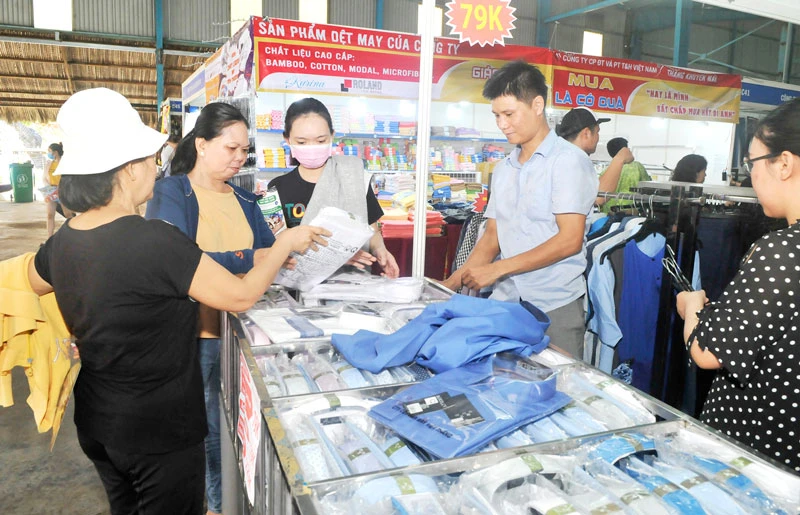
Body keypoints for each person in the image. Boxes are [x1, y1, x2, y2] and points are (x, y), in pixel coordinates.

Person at [26, 88, 329, 515]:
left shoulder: (62, 242)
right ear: (129, 170)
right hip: (160, 430)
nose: (156, 167)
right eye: (150, 160)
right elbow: (240, 296)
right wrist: (282, 247)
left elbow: (30, 284)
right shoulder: (156, 241)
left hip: (97, 420)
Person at [145, 101, 274, 515]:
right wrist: (245, 258)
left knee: (244, 426)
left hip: (246, 331)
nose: (239, 158)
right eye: (230, 149)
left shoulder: (246, 200)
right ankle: (217, 505)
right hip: (199, 336)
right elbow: (177, 259)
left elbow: (269, 256)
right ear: (201, 144)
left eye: (244, 152)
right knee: (208, 432)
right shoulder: (171, 192)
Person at [441, 60, 598, 358]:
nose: (502, 124)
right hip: (506, 303)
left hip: (555, 306)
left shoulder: (568, 162)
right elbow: (491, 237)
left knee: (558, 388)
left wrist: (497, 269)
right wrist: (453, 281)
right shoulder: (504, 169)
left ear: (537, 105)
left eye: (509, 114)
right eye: (497, 115)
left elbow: (569, 240)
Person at [676, 98, 800, 472]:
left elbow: (706, 353)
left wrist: (693, 307)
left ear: (784, 163)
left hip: (756, 456)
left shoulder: (782, 253)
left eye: (752, 162)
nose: (750, 176)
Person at [268, 97, 400, 278]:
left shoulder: (352, 175)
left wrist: (381, 250)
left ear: (332, 136)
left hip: (351, 288)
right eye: (301, 142)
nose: (312, 147)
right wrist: (335, 257)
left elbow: (372, 231)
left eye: (321, 140)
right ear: (287, 139)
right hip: (297, 290)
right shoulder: (277, 188)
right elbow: (275, 250)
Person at [556, 107, 635, 207]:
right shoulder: (572, 158)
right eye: (597, 132)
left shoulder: (562, 154)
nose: (598, 137)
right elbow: (598, 197)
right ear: (587, 133)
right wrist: (619, 158)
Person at [598, 137, 651, 213]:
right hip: (631, 210)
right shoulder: (637, 167)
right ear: (626, 150)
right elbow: (648, 187)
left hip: (609, 211)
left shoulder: (606, 171)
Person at [43, 142, 74, 237]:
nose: (48, 153)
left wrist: (61, 188)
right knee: (50, 215)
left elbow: (69, 178)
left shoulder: (65, 163)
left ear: (55, 152)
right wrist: (48, 188)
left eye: (49, 151)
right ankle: (49, 237)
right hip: (51, 190)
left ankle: (73, 234)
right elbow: (44, 177)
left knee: (68, 214)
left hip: (63, 190)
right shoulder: (49, 163)